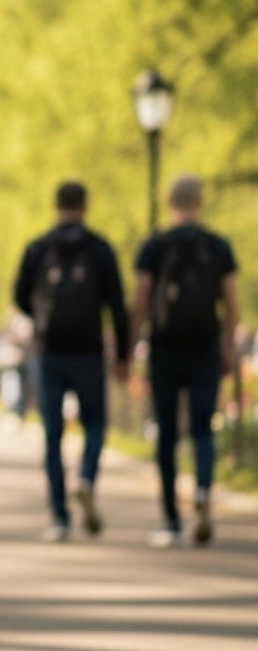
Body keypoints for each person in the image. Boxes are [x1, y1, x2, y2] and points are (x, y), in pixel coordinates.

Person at [12, 181, 129, 542]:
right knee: (95, 423)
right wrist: (123, 355)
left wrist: (43, 315)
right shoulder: (99, 249)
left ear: (55, 205)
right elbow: (117, 306)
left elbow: (20, 298)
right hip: (88, 351)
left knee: (52, 433)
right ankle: (87, 477)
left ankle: (59, 517)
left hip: (49, 351)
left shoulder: (37, 247)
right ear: (85, 205)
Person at [129, 174, 239, 547]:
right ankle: (204, 489)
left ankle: (171, 519)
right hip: (205, 345)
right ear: (200, 202)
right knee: (203, 428)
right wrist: (228, 347)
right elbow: (231, 303)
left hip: (165, 347)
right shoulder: (217, 246)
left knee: (167, 432)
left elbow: (142, 298)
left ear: (168, 202)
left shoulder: (156, 246)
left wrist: (131, 346)